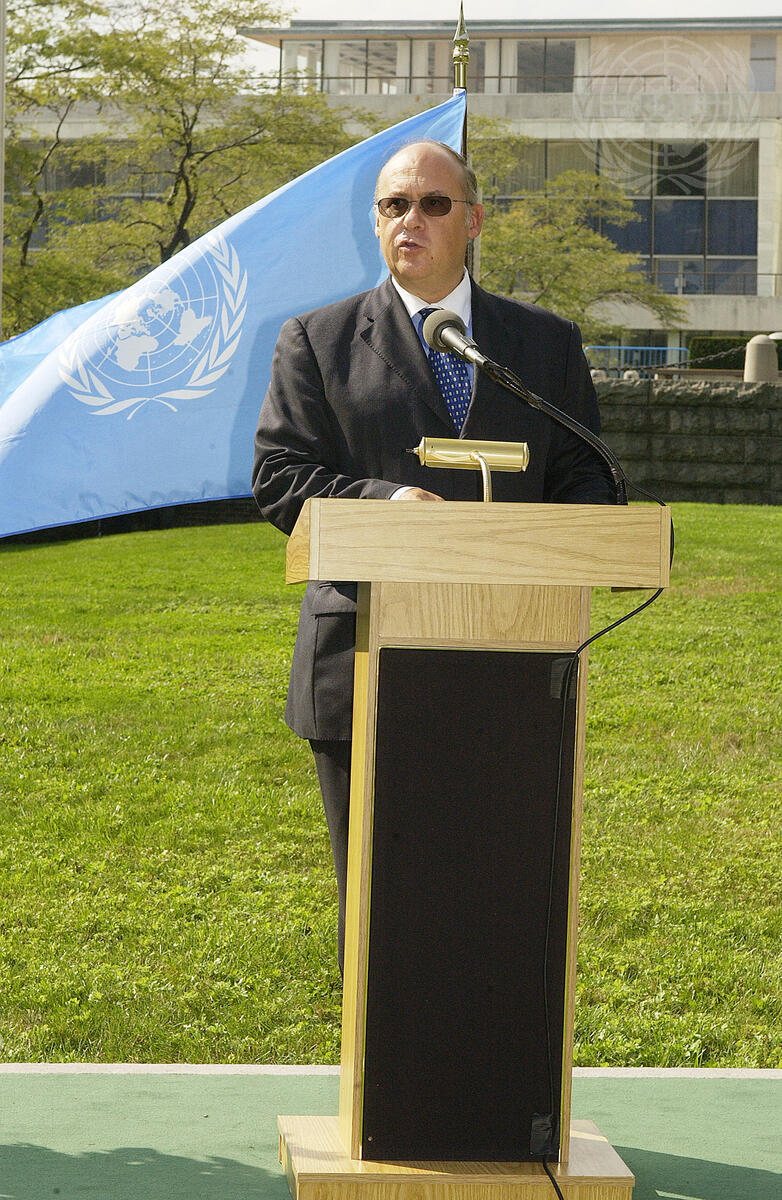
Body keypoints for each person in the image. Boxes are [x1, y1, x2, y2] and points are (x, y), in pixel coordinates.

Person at [252, 140, 614, 970]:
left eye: (432, 204)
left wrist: (564, 540)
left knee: (497, 900)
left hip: (515, 660)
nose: (409, 219)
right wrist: (388, 505)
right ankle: (382, 1059)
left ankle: (491, 1051)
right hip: (362, 661)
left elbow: (586, 471)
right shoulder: (318, 340)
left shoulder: (544, 345)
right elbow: (280, 476)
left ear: (473, 220)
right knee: (382, 909)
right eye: (393, 205)